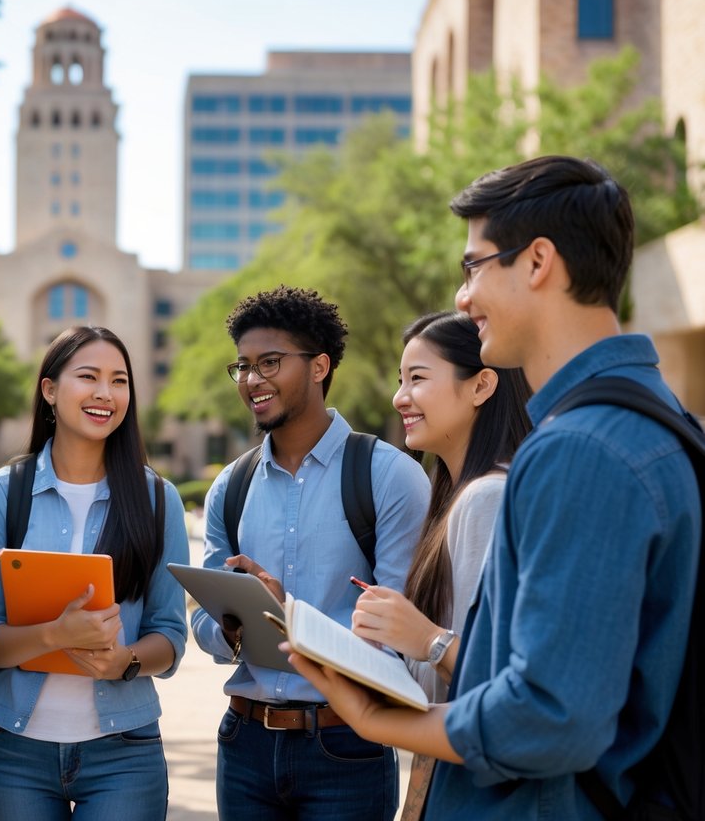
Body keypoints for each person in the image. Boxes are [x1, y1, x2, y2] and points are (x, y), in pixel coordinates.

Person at [286, 156, 700, 819]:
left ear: (537, 262)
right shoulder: (656, 419)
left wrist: (374, 719)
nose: (463, 297)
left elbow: (549, 716)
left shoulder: (581, 449)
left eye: (473, 267)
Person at [193, 285, 431, 821]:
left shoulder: (389, 476)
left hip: (346, 745)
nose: (252, 379)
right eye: (243, 366)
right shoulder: (230, 486)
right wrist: (234, 625)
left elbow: (401, 638)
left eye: (270, 362)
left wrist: (289, 617)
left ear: (320, 366)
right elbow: (203, 626)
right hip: (244, 744)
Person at [0, 325, 189, 821]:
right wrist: (54, 635)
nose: (105, 393)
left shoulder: (158, 500)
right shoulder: (1, 495)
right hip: (15, 754)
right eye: (88, 376)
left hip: (125, 755)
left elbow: (170, 632)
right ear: (49, 390)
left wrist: (125, 661)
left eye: (119, 381)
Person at [350, 310, 531, 818]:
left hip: (482, 790)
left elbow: (500, 685)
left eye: (417, 378)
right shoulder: (454, 498)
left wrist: (424, 637)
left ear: (481, 386)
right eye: (400, 380)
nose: (399, 397)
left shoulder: (486, 499)